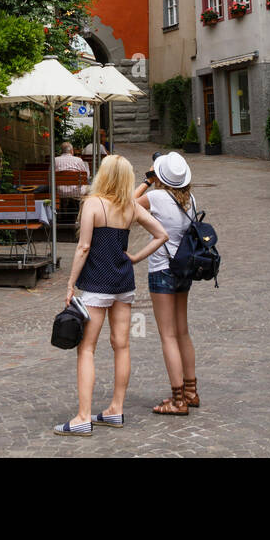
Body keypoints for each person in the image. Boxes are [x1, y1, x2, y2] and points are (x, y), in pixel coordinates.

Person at [55, 154, 167, 436]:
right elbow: (161, 234)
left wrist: (70, 284)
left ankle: (83, 417)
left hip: (96, 285)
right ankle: (115, 409)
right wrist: (135, 258)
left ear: (103, 175)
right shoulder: (130, 206)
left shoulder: (93, 203)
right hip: (123, 284)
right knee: (122, 345)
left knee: (87, 349)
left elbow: (83, 248)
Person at [135, 151, 199, 415]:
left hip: (162, 269)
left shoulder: (157, 197)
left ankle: (177, 400)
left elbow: (124, 205)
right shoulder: (191, 200)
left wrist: (147, 180)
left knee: (167, 335)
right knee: (182, 331)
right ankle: (191, 391)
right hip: (183, 269)